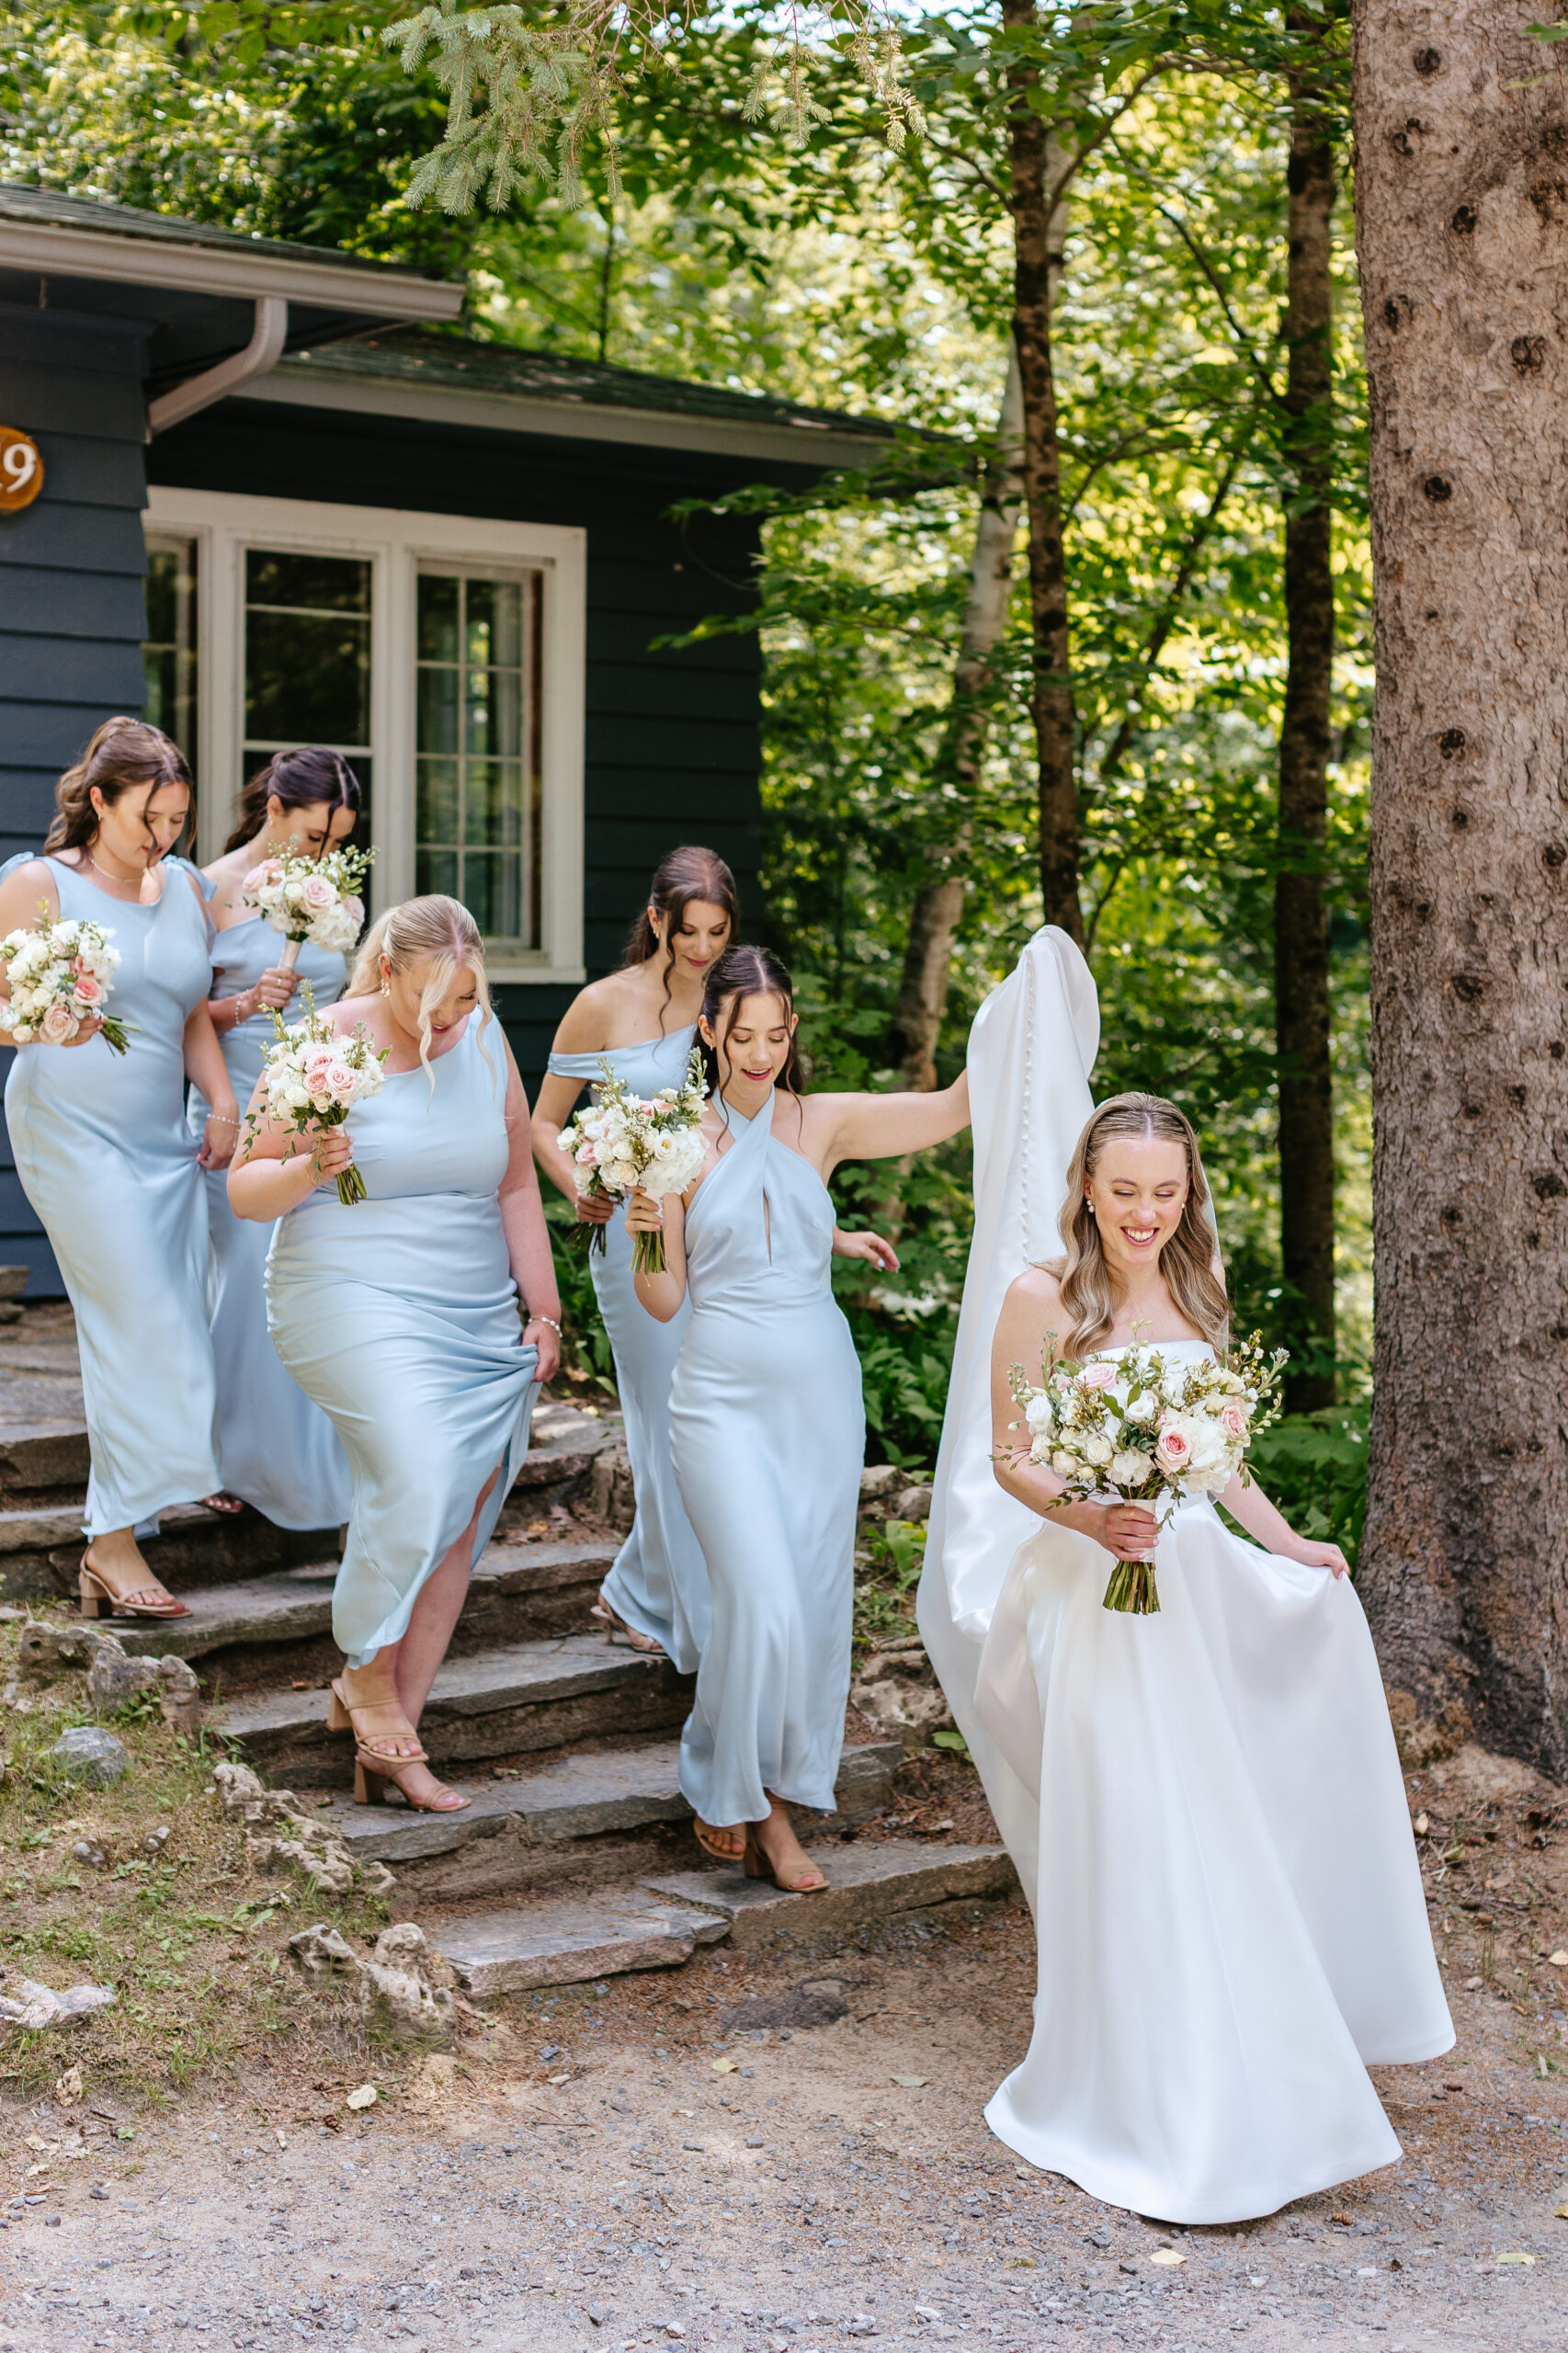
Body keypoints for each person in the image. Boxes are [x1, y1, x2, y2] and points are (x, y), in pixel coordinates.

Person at [969, 1088, 1453, 2222]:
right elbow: (1009, 1457)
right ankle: (1138, 2086)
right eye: (1125, 1190)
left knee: (1209, 1812)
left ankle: (1241, 2066)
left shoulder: (1194, 1289)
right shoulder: (1039, 1297)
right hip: (1091, 1588)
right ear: (1087, 1186)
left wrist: (1288, 1544)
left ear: (1188, 1197)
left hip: (1185, 1578)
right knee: (1137, 1821)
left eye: (1165, 1192)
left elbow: (1220, 1457)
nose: (1144, 1212)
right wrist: (1091, 1517)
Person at [625, 944, 969, 1889]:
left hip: (818, 1399)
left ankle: (765, 1788)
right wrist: (649, 1231)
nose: (762, 1053)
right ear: (707, 1031)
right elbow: (661, 1303)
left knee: (810, 1607)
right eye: (743, 1036)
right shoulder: (670, 1138)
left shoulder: (818, 1122)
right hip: (719, 1401)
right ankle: (739, 1794)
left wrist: (1028, 1007)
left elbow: (953, 1108)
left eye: (778, 1035)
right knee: (761, 1602)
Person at [228, 894, 561, 1813]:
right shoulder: (321, 1042)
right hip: (344, 1290)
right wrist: (308, 1167)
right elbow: (246, 1191)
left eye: (462, 998)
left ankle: (393, 1732)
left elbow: (515, 1182)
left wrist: (544, 1309)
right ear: (385, 973)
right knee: (416, 1468)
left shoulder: (485, 1040)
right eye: (429, 1002)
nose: (445, 1020)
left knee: (457, 1508)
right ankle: (365, 1673)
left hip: (471, 1309)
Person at [0, 717, 234, 1620]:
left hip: (158, 1131)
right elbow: (6, 1013)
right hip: (68, 1124)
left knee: (171, 1311)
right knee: (134, 1308)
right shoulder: (39, 884)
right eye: (148, 817)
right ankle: (113, 1540)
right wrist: (48, 1022)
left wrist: (218, 1099)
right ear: (98, 800)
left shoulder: (182, 887)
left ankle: (120, 1532)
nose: (162, 837)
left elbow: (188, 1011)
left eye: (176, 820)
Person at [530, 847, 737, 1667]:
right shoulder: (600, 1006)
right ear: (656, 919)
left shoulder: (734, 1001)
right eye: (689, 932)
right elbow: (544, 1123)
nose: (704, 949)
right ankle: (695, 1623)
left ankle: (642, 1588)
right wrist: (579, 1179)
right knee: (665, 1418)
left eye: (719, 932)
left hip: (719, 1234)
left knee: (711, 1415)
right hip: (635, 1231)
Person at [191, 748, 361, 1529]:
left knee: (312, 1277)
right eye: (317, 836)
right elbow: (185, 1013)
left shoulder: (332, 898)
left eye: (339, 842)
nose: (326, 855)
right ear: (276, 810)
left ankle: (314, 1467)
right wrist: (246, 1004)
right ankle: (232, 1458)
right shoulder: (209, 888)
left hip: (314, 1109)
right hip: (232, 1110)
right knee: (245, 1282)